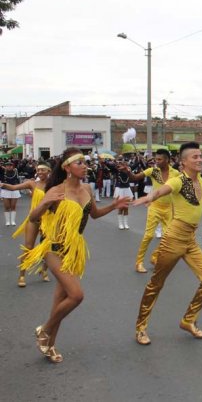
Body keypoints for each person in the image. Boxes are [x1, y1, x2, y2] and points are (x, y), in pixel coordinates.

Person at [20, 148, 130, 363]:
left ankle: (49, 344)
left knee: (61, 301)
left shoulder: (88, 188)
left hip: (74, 251)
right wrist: (43, 203)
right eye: (78, 162)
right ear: (67, 167)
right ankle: (45, 329)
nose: (84, 166)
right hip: (53, 248)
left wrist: (114, 205)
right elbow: (33, 218)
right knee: (76, 295)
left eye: (84, 162)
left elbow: (95, 215)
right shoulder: (55, 190)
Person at [132, 142, 202, 346]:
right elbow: (163, 190)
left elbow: (201, 201)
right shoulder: (178, 180)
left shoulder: (198, 183)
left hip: (190, 240)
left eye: (200, 156)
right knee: (156, 284)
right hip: (173, 239)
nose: (199, 160)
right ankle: (141, 327)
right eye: (194, 157)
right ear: (183, 162)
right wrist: (149, 196)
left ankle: (188, 320)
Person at [122, 149, 181, 273]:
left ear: (167, 160)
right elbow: (135, 177)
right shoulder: (152, 171)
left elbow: (180, 189)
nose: (156, 162)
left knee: (168, 238)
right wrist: (128, 172)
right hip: (155, 207)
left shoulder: (175, 173)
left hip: (169, 209)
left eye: (159, 159)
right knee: (148, 236)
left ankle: (155, 257)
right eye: (156, 159)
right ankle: (139, 263)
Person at [1, 162, 52, 287]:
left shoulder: (54, 185)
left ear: (48, 171)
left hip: (49, 220)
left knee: (48, 248)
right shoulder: (32, 183)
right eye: (38, 170)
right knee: (28, 247)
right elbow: (14, 188)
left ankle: (44, 270)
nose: (40, 172)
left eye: (43, 170)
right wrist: (3, 184)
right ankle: (22, 275)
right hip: (34, 219)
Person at [113, 159, 134, 229]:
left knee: (126, 207)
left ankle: (126, 223)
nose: (124, 165)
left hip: (127, 190)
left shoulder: (128, 170)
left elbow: (136, 165)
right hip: (120, 190)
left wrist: (139, 158)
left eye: (125, 164)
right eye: (122, 164)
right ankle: (120, 224)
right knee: (121, 207)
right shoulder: (118, 171)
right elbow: (110, 166)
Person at [1, 161, 21, 226]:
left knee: (13, 206)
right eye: (7, 165)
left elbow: (18, 180)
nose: (9, 167)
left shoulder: (16, 172)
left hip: (14, 190)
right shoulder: (2, 172)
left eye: (10, 165)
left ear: (13, 166)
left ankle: (12, 221)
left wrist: (18, 186)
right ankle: (7, 221)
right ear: (5, 166)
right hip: (5, 190)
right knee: (7, 206)